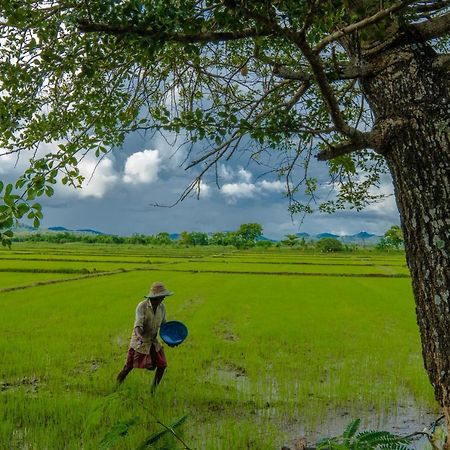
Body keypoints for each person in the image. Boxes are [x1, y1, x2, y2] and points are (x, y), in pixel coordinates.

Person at [116, 281, 173, 394]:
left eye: (164, 297)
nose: (163, 299)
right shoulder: (142, 306)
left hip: (153, 340)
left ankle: (153, 391)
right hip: (139, 341)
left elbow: (164, 325)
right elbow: (138, 325)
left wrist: (170, 339)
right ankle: (115, 386)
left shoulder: (162, 307)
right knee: (128, 367)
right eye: (161, 297)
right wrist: (139, 336)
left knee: (162, 365)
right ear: (154, 297)